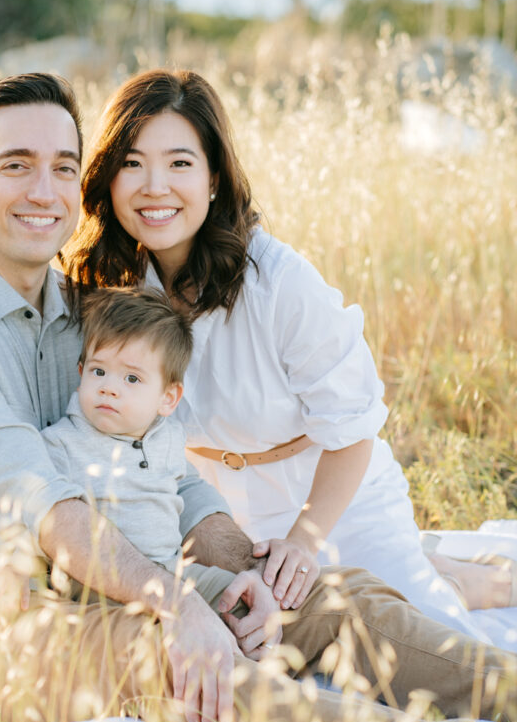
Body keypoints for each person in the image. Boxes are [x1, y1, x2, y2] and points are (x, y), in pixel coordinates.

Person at [0, 71, 517, 722]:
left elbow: (166, 462)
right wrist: (182, 606)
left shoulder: (81, 306)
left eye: (64, 168)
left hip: (88, 579)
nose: (44, 189)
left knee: (325, 598)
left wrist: (242, 572)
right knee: (179, 661)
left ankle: (506, 695)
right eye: (15, 165)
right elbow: (47, 508)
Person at [62, 68, 516, 646]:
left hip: (329, 495)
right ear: (107, 177)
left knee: (425, 638)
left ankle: (480, 583)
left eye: (179, 163)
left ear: (214, 178)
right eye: (131, 163)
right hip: (214, 514)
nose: (155, 187)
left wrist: (304, 542)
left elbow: (354, 427)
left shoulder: (276, 281)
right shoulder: (104, 288)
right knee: (286, 647)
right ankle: (442, 570)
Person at [41, 285, 282, 645]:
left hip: (173, 574)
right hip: (99, 592)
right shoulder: (59, 444)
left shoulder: (168, 440)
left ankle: (268, 660)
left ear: (168, 398)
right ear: (81, 371)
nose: (109, 388)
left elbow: (186, 496)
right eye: (98, 371)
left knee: (248, 603)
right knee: (174, 644)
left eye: (132, 378)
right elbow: (27, 515)